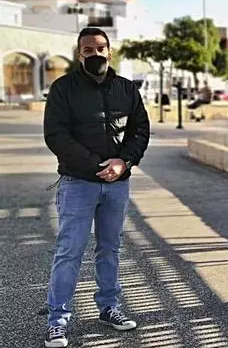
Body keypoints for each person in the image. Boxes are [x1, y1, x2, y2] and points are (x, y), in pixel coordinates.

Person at [42, 27, 150, 348]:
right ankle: (57, 321)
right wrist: (96, 166)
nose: (95, 54)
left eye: (100, 48)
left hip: (117, 184)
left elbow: (140, 130)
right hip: (78, 183)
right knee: (69, 251)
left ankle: (108, 307)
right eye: (88, 50)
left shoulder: (127, 89)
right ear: (79, 55)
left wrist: (123, 163)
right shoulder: (63, 89)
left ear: (110, 51)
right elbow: (56, 135)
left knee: (110, 249)